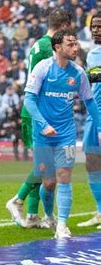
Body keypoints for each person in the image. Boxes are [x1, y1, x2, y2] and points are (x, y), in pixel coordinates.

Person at [24, 29, 100, 238]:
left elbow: (90, 102)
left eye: (76, 44)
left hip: (66, 133)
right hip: (43, 134)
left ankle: (62, 225)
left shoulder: (78, 73)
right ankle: (49, 215)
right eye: (70, 44)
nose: (75, 48)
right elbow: (29, 100)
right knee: (48, 183)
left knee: (64, 177)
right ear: (58, 47)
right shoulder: (42, 68)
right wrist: (43, 124)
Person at [6, 9, 72, 228]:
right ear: (63, 27)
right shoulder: (47, 48)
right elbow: (39, 84)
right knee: (45, 165)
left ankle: (33, 215)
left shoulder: (39, 44)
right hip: (39, 113)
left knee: (44, 164)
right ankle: (18, 199)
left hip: (39, 112)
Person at [78, 13, 101, 229]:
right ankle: (100, 211)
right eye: (94, 26)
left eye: (100, 26)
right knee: (92, 162)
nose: (96, 30)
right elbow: (93, 82)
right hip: (94, 116)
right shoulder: (92, 54)